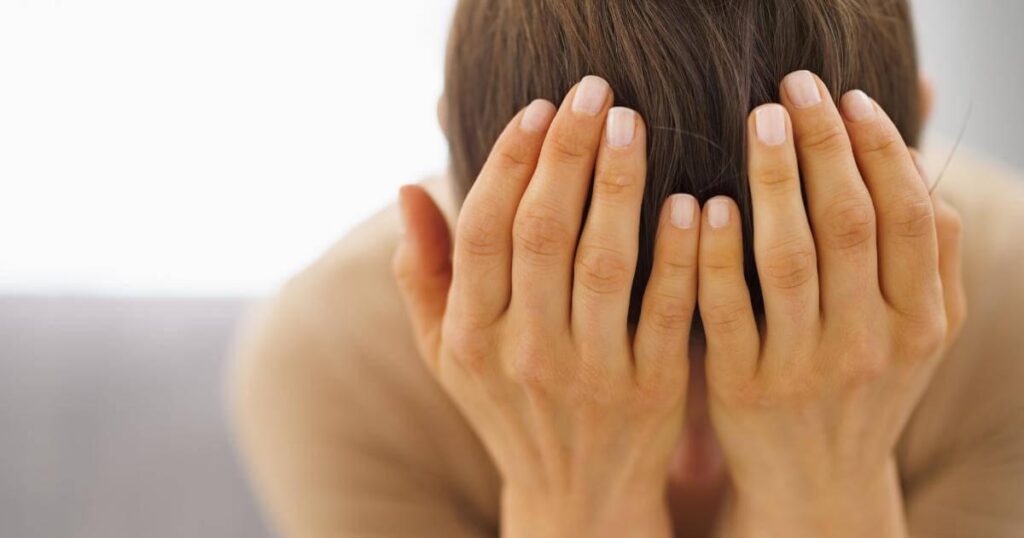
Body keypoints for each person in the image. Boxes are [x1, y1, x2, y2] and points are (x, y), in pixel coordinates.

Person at [229, 1, 1024, 536]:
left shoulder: (1012, 322)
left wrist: (823, 494)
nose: (691, 461)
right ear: (456, 173)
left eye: (797, 344)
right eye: (595, 345)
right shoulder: (334, 370)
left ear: (917, 154)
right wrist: (575, 504)